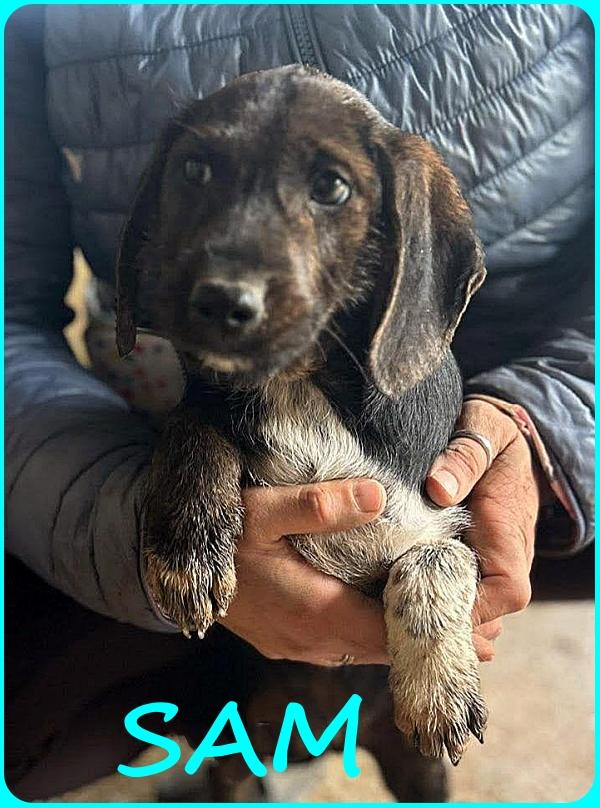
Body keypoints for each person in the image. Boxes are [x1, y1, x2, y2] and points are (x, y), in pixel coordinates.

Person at [5, 3, 594, 799]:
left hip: (496, 385)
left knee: (420, 751)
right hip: (148, 419)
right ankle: (229, 765)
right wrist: (124, 513)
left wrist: (547, 419)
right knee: (35, 731)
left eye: (329, 185)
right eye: (198, 171)